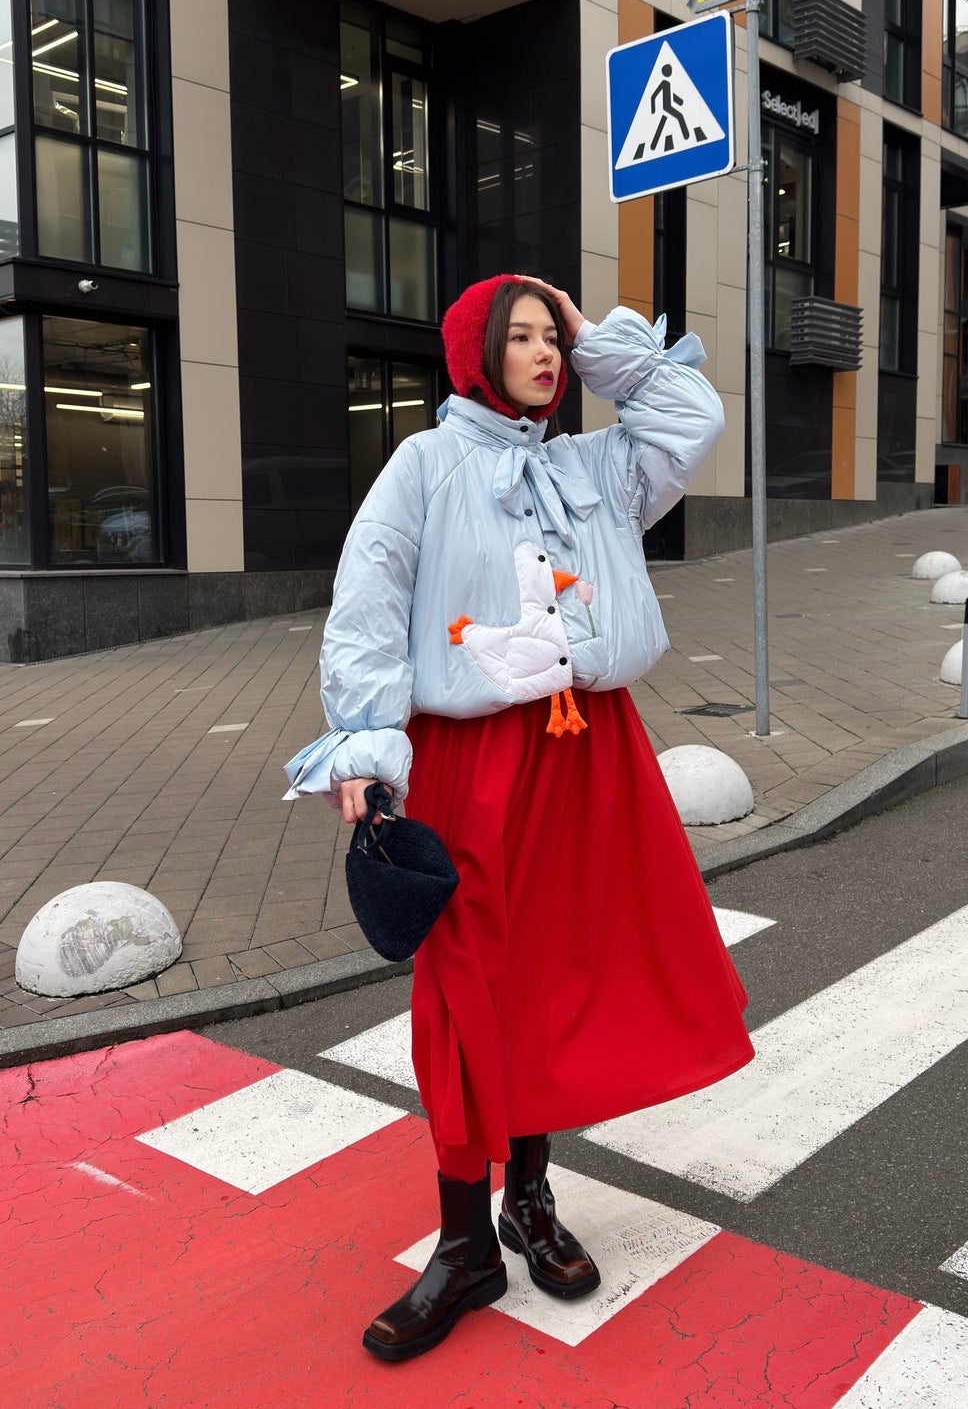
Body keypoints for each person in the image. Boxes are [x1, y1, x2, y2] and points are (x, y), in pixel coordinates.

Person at [293, 274, 754, 1362]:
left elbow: (691, 416)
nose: (546, 351)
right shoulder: (424, 464)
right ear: (473, 349)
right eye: (524, 335)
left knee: (554, 973)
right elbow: (366, 595)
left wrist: (602, 344)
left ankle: (529, 1200)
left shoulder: (594, 464)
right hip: (470, 758)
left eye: (556, 335)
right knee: (465, 992)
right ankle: (463, 1241)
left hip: (590, 750)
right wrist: (364, 744)